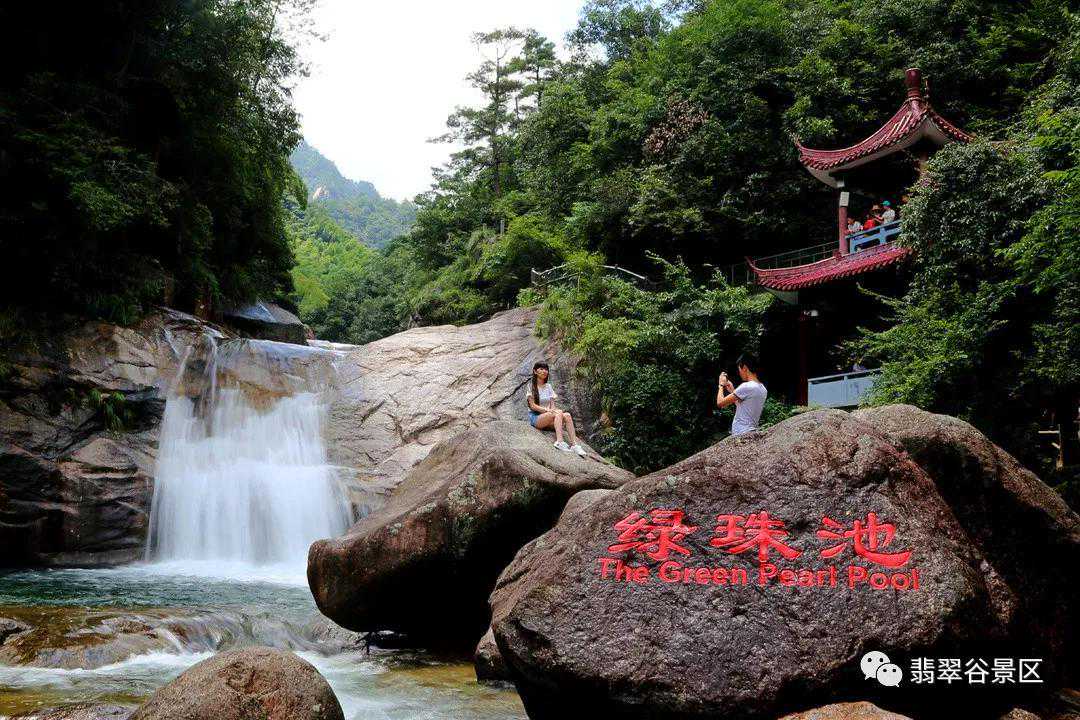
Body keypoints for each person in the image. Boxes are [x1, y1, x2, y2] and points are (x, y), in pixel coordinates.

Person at [525, 361, 587, 456]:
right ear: (535, 371)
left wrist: (553, 412)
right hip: (536, 418)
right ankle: (559, 442)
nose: (544, 371)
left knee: (567, 415)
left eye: (546, 369)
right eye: (541, 369)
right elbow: (533, 406)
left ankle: (574, 445)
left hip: (549, 417)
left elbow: (552, 405)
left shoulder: (548, 386)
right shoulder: (530, 386)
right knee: (558, 412)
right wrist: (548, 411)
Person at [716, 353, 768, 436]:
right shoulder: (762, 389)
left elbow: (720, 403)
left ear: (744, 368)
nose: (739, 373)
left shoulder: (746, 386)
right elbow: (744, 407)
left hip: (740, 432)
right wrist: (732, 390)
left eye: (739, 369)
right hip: (751, 431)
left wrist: (721, 385)